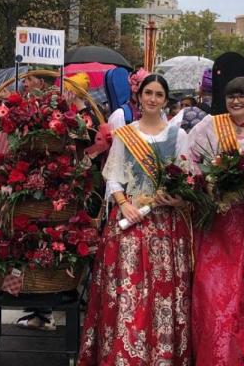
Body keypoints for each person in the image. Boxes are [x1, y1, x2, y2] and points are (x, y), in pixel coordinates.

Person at [78, 74, 193, 366]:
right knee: (128, 289)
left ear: (166, 100)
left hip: (166, 224)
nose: (152, 99)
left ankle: (163, 356)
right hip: (130, 220)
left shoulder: (177, 136)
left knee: (161, 293)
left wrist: (178, 199)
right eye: (148, 93)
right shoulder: (126, 134)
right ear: (139, 97)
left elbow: (188, 180)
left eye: (159, 94)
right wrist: (124, 204)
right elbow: (113, 178)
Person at [188, 77, 244, 366]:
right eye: (231, 96)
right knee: (212, 291)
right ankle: (214, 354)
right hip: (216, 223)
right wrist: (210, 184)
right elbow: (189, 163)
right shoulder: (209, 126)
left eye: (242, 96)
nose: (236, 101)